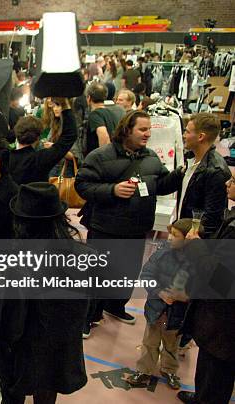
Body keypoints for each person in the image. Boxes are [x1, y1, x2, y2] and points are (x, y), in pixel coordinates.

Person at [75, 110, 184, 335]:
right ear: (127, 130)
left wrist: (178, 175)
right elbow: (82, 185)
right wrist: (112, 190)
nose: (147, 134)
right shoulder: (100, 156)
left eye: (149, 129)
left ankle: (115, 306)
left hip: (136, 228)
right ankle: (88, 316)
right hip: (106, 228)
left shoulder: (151, 157)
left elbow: (161, 185)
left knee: (127, 273)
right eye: (142, 129)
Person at [0, 182, 89, 404]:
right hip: (59, 345)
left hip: (22, 346)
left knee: (13, 392)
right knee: (48, 390)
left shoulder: (16, 262)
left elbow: (11, 318)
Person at [176, 173, 235, 404]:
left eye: (233, 181)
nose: (226, 184)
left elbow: (222, 281)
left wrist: (198, 249)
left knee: (215, 373)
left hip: (224, 323)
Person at [127, 218, 198, 391]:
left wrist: (186, 297)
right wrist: (159, 292)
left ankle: (169, 370)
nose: (169, 238)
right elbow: (147, 275)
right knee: (150, 343)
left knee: (172, 345)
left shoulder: (196, 261)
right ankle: (144, 370)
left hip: (178, 315)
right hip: (156, 310)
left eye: (175, 235)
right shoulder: (162, 253)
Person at [177, 112, 231, 236]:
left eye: (187, 132)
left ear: (200, 136)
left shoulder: (216, 172)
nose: (183, 135)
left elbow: (211, 219)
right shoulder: (190, 160)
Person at [9, 97, 77, 185]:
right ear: (38, 138)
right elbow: (69, 137)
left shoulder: (6, 158)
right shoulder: (41, 159)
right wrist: (65, 106)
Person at [85, 82, 125, 154]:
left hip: (99, 160)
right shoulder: (110, 113)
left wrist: (104, 157)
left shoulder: (95, 114)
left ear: (89, 98)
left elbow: (103, 134)